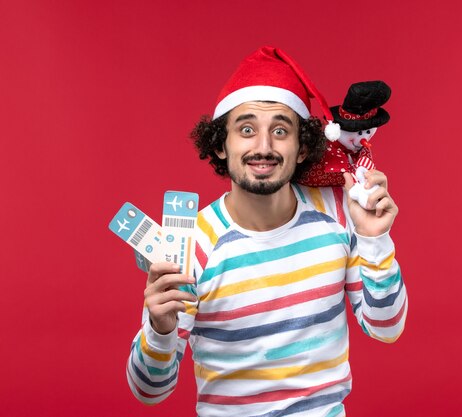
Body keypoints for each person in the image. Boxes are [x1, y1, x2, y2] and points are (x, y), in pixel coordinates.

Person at [126, 46, 408, 417]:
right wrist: (159, 330)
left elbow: (386, 326)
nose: (264, 147)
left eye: (280, 130)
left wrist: (375, 240)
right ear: (221, 144)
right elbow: (149, 391)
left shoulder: (339, 211)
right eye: (246, 130)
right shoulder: (192, 244)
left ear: (303, 147)